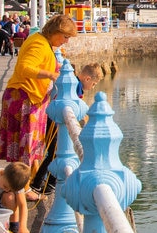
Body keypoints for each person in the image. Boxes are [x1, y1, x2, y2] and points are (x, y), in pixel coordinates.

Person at [0, 14, 76, 197]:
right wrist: (51, 75)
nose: (66, 41)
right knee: (26, 145)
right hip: (25, 97)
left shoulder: (42, 42)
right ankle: (23, 188)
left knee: (28, 145)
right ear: (56, 31)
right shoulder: (38, 43)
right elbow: (24, 68)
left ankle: (23, 183)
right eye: (66, 37)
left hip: (30, 97)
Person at [30, 61, 104, 195]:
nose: (92, 87)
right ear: (87, 78)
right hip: (55, 122)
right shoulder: (75, 87)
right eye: (93, 84)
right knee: (55, 152)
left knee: (54, 152)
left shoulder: (74, 84)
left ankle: (44, 182)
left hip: (54, 120)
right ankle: (42, 183)